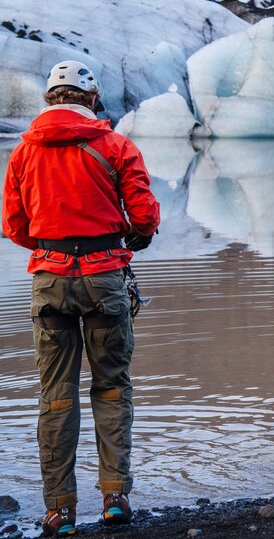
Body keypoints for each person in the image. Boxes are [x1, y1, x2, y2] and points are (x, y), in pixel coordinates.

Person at [1, 60, 160, 537]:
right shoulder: (116, 145)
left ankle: (59, 512)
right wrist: (131, 238)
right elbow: (145, 215)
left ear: (50, 99)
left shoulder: (23, 152)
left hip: (49, 281)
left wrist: (53, 248)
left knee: (55, 397)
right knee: (112, 387)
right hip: (105, 277)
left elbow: (13, 225)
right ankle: (114, 498)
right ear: (91, 98)